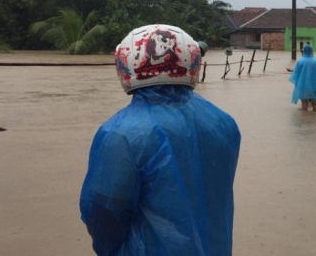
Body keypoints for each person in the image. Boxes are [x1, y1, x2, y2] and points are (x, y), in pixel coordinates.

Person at [80, 24, 241, 255]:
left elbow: (105, 215)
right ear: (192, 61)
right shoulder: (223, 123)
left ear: (126, 64)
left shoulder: (120, 133)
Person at [289, 44, 316, 111]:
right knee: (315, 104)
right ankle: (315, 120)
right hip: (315, 85)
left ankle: (305, 119)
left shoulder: (300, 61)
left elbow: (296, 74)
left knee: (304, 104)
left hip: (303, 85)